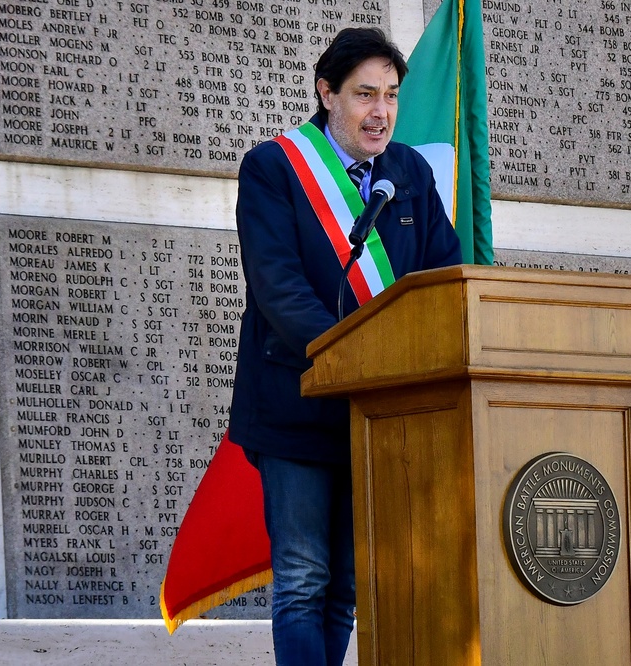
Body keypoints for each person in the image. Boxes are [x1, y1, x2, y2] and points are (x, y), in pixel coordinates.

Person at [228, 27, 463, 666]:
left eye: (390, 96)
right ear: (327, 93)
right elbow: (279, 289)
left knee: (348, 588)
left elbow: (442, 274)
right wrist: (358, 357)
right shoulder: (274, 167)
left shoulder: (408, 171)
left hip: (380, 413)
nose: (381, 113)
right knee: (304, 581)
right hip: (298, 404)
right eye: (365, 95)